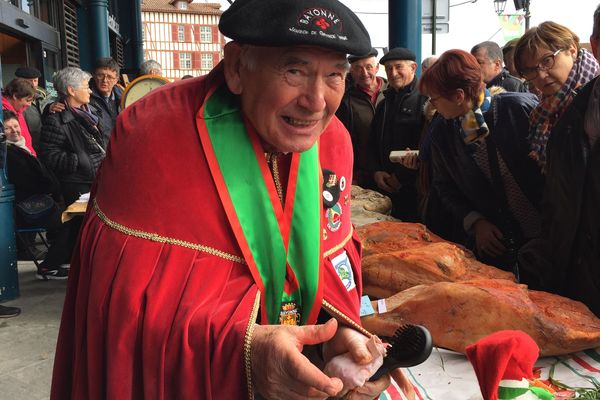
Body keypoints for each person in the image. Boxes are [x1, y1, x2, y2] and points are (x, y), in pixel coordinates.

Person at [50, 1, 412, 399]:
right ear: (237, 66)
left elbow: (334, 264)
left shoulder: (334, 142)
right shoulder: (155, 134)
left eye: (335, 76)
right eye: (295, 70)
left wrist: (337, 336)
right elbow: (117, 305)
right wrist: (246, 350)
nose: (317, 101)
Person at [419, 49, 544, 278]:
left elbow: (554, 175)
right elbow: (443, 185)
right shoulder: (443, 131)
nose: (433, 105)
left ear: (458, 96)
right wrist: (475, 222)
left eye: (434, 99)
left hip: (549, 238)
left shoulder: (518, 109)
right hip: (498, 247)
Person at [535, 8, 600, 317]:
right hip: (576, 282)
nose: (540, 76)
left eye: (546, 62)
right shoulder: (571, 113)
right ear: (596, 45)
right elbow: (556, 201)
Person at [514, 21, 599, 170]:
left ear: (572, 50)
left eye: (547, 61)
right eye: (530, 71)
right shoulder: (545, 110)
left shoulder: (594, 96)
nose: (540, 75)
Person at [3, 110, 69, 280]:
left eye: (16, 126)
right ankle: (50, 267)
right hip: (29, 209)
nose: (14, 131)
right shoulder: (9, 154)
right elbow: (34, 182)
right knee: (72, 222)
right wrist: (53, 187)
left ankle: (60, 259)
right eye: (8, 128)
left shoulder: (22, 148)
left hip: (39, 203)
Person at [368, 47, 427, 221]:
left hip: (413, 189)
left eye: (398, 67)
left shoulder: (426, 100)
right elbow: (373, 141)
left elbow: (424, 147)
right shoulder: (384, 103)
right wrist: (376, 171)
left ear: (413, 68)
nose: (393, 73)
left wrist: (399, 177)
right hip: (383, 185)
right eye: (388, 68)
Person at [39, 67, 107, 206]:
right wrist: (79, 160)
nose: (90, 91)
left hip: (98, 181)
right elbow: (48, 155)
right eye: (86, 87)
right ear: (71, 90)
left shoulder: (91, 113)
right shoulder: (56, 120)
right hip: (76, 187)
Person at [336, 47, 387, 188]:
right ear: (351, 71)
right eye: (358, 68)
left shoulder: (391, 92)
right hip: (363, 175)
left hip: (393, 172)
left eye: (369, 67)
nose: (364, 73)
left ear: (377, 68)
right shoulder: (345, 101)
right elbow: (343, 140)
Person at [15, 66, 51, 152]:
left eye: (35, 80)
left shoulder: (44, 96)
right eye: (30, 81)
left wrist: (50, 107)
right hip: (26, 148)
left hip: (45, 147)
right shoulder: (15, 99)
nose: (33, 84)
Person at [88, 57, 124, 139]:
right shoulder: (83, 95)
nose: (105, 80)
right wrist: (52, 106)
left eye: (110, 77)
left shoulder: (124, 97)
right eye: (100, 75)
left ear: (116, 80)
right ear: (93, 76)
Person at [2, 78, 36, 155]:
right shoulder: (3, 113)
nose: (29, 104)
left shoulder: (18, 111)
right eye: (27, 100)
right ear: (15, 96)